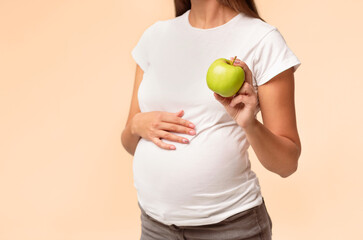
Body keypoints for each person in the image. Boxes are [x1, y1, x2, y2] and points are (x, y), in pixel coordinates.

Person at [121, 0, 302, 239]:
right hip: (156, 227)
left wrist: (249, 124)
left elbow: (287, 164)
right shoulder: (154, 37)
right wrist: (136, 125)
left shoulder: (262, 39)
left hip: (230, 229)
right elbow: (128, 142)